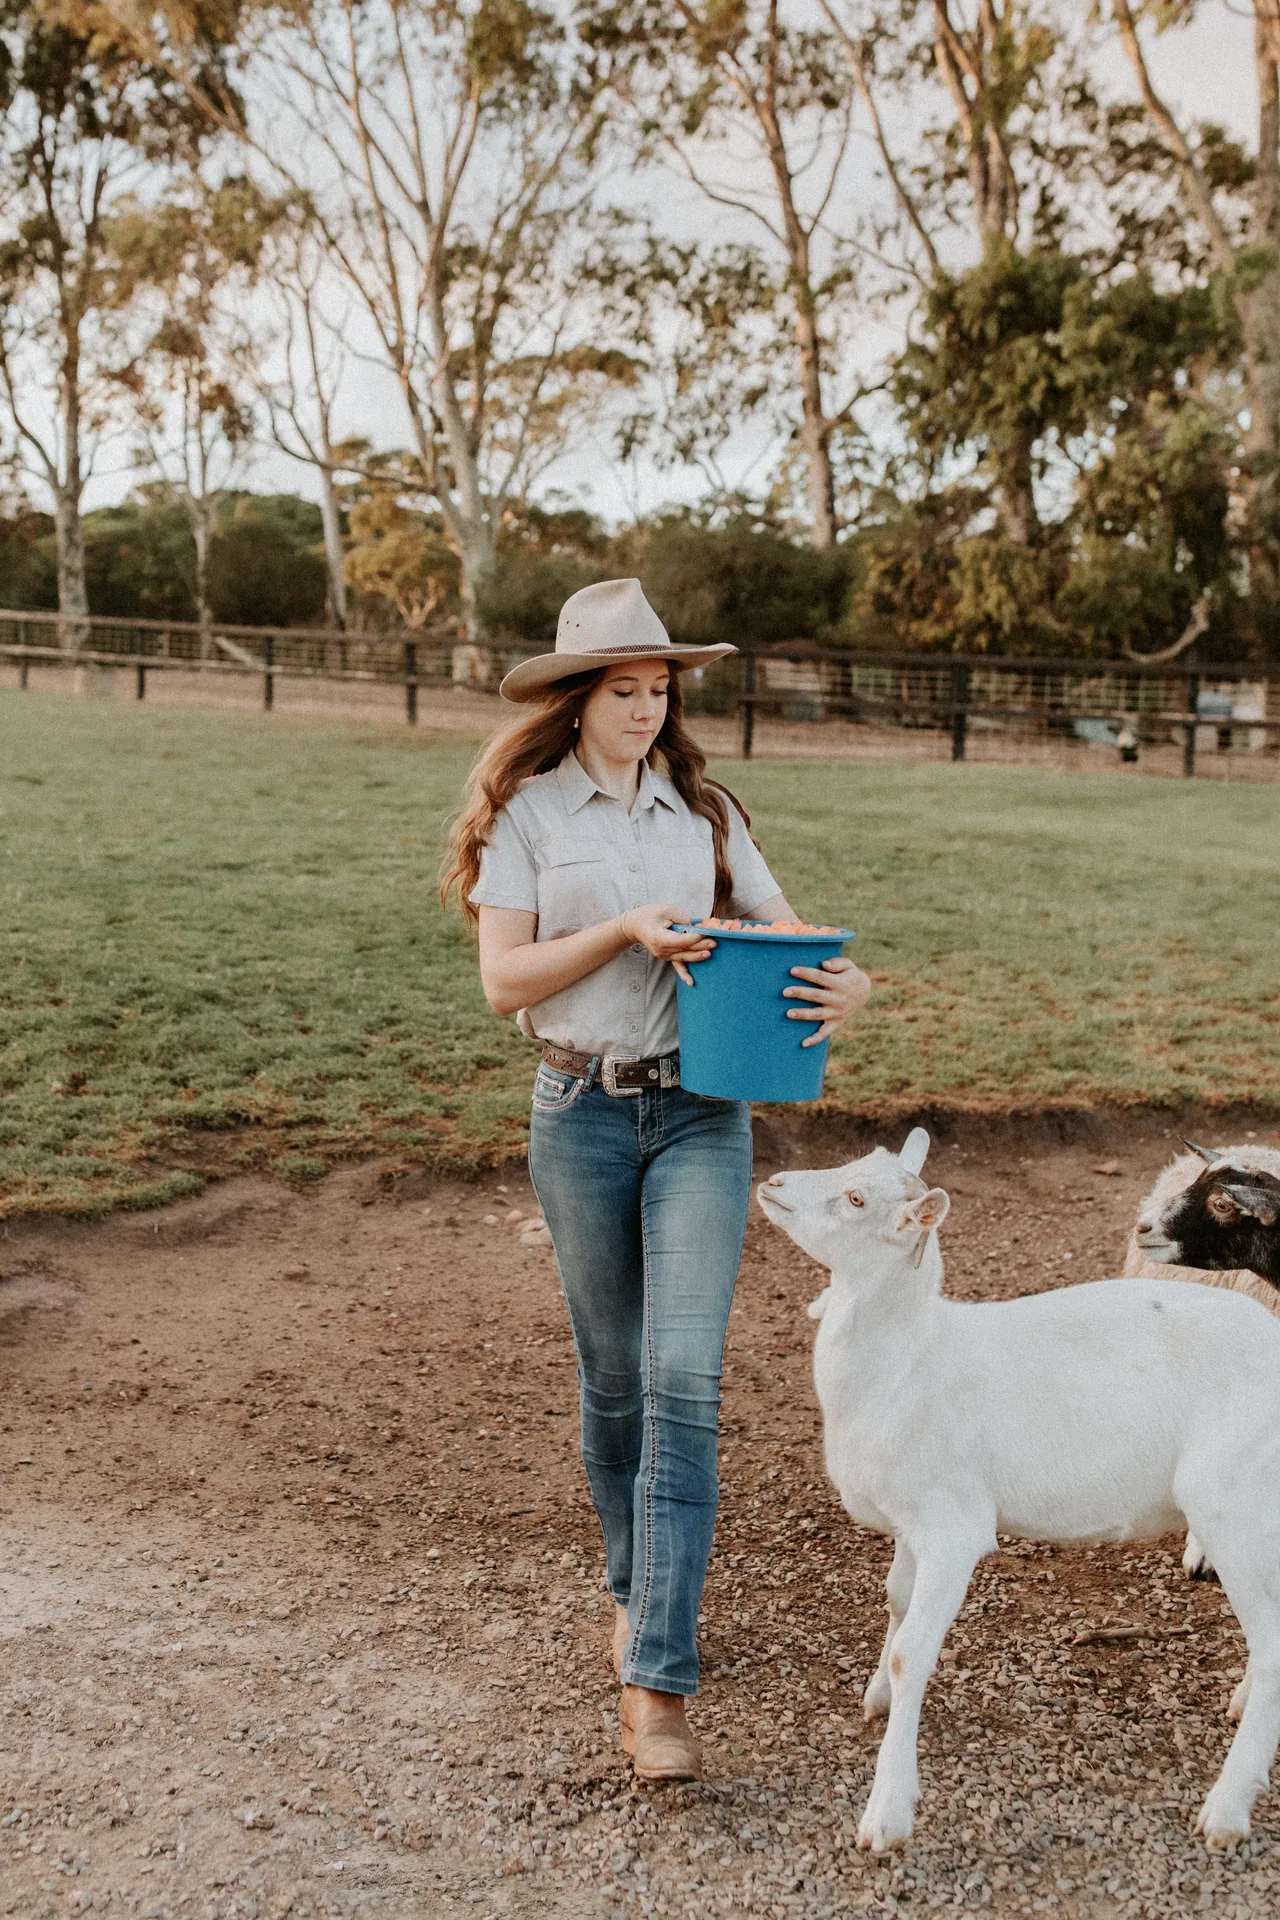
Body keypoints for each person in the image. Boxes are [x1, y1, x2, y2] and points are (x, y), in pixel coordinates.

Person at [441, 579, 870, 1782]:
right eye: (623, 690)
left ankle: (658, 1684)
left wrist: (853, 988)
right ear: (578, 698)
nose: (644, 709)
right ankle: (634, 1590)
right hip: (575, 1112)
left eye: (659, 689)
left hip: (700, 1116)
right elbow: (504, 982)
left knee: (684, 1379)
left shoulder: (709, 813)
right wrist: (623, 929)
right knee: (616, 1382)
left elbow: (791, 935)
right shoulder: (525, 814)